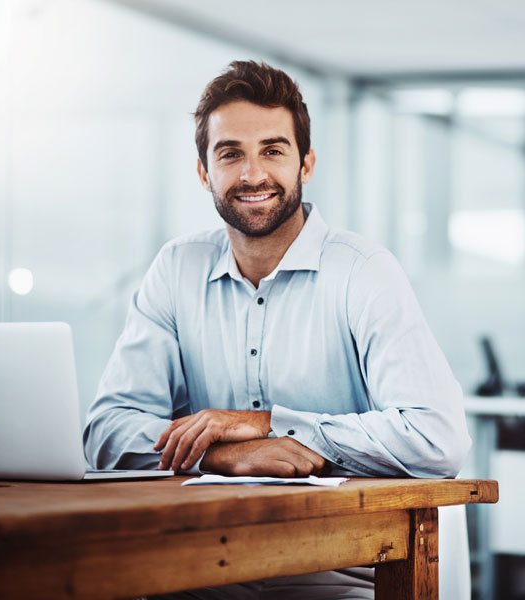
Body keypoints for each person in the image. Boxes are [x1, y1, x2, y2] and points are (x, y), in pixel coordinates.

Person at [84, 60, 471, 599]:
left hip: (343, 571)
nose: (251, 175)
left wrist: (270, 426)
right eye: (230, 154)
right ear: (204, 172)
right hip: (201, 569)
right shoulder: (176, 269)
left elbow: (438, 437)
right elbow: (106, 430)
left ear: (305, 163)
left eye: (272, 150)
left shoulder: (363, 271)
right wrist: (219, 455)